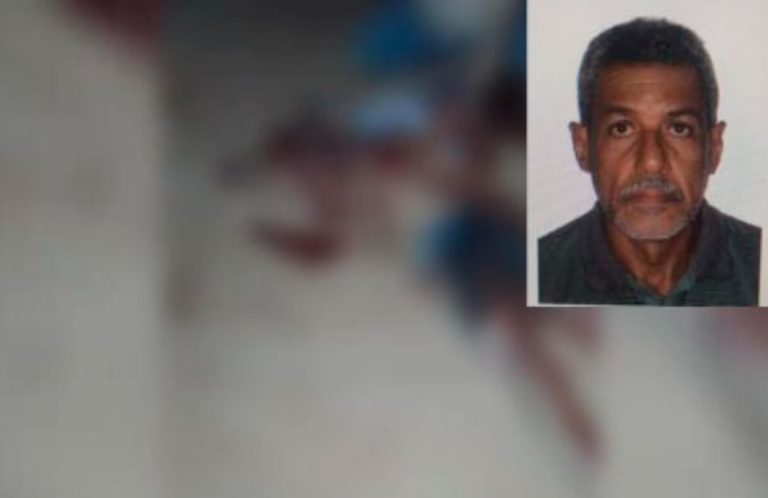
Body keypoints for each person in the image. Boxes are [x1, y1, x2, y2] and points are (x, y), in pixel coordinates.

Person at [538, 18, 761, 305]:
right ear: (582, 147)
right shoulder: (534, 274)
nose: (652, 161)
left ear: (714, 148)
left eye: (679, 129)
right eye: (622, 129)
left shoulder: (759, 262)